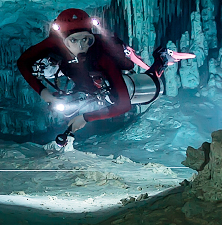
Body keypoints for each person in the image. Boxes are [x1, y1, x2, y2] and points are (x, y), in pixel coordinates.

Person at [16, 8, 174, 151]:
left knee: (143, 78)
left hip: (101, 70)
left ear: (92, 38)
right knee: (71, 71)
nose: (81, 46)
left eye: (86, 40)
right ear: (62, 41)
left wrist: (85, 118)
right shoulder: (54, 43)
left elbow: (124, 104)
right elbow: (23, 62)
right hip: (78, 72)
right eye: (74, 40)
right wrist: (43, 92)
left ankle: (161, 59)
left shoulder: (102, 57)